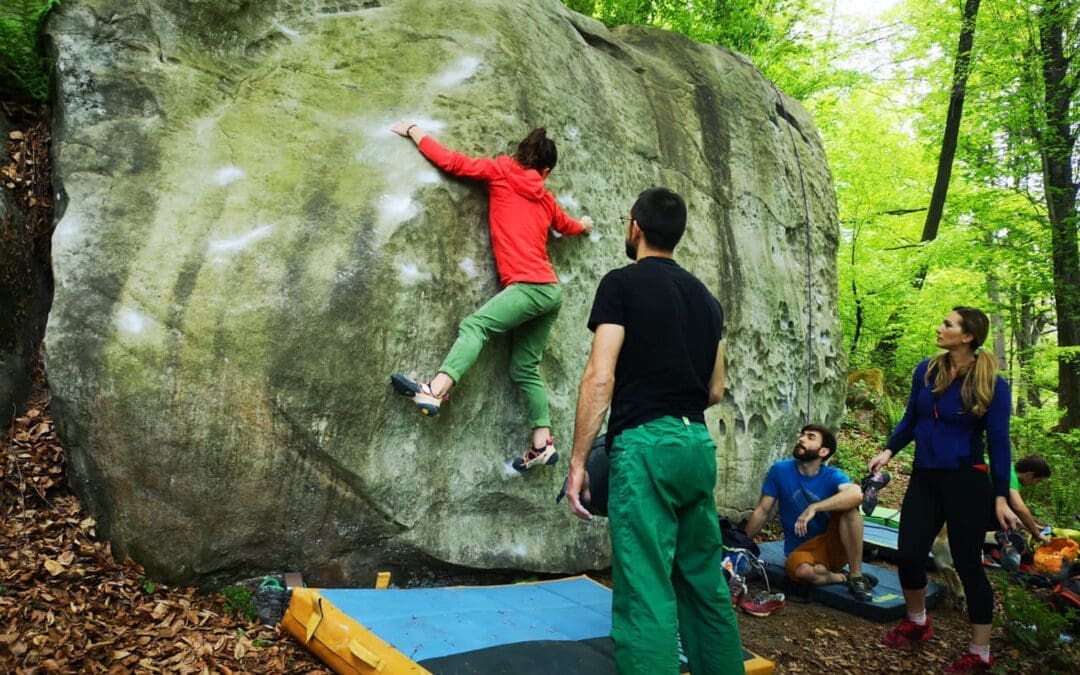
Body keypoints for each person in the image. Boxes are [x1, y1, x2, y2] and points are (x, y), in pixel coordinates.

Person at [564, 187, 742, 674]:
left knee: (645, 585)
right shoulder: (707, 301)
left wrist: (578, 462)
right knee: (703, 581)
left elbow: (600, 376)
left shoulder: (621, 284)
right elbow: (716, 390)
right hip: (696, 446)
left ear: (635, 227)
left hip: (647, 446)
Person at [388, 121, 593, 471]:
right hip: (549, 292)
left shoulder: (499, 172)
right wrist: (586, 225)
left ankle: (435, 390)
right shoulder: (546, 199)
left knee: (475, 326)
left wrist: (414, 131)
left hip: (528, 288)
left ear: (518, 153)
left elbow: (452, 162)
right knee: (525, 367)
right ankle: (542, 443)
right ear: (545, 170)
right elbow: (567, 226)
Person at [867, 306, 1020, 673]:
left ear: (967, 336)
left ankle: (980, 653)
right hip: (925, 477)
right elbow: (910, 419)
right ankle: (918, 622)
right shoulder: (927, 369)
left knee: (968, 564)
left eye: (948, 324)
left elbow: (1000, 443)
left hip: (965, 481)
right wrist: (889, 449)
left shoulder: (992, 384)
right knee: (908, 554)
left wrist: (1001, 495)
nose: (940, 327)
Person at [743, 425, 875, 602]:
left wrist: (814, 508)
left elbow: (856, 494)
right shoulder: (780, 470)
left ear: (823, 451)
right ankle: (841, 578)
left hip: (832, 544)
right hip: (800, 549)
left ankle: (856, 575)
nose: (801, 439)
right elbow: (762, 510)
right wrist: (742, 543)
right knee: (802, 572)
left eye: (810, 437)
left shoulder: (832, 475)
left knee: (850, 510)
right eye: (802, 435)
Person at [1008, 455, 1052, 544]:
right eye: (1038, 480)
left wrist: (1032, 526)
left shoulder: (1009, 470)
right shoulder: (1010, 476)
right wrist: (1037, 534)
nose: (1035, 484)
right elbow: (1019, 508)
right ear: (1029, 475)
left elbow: (1014, 511)